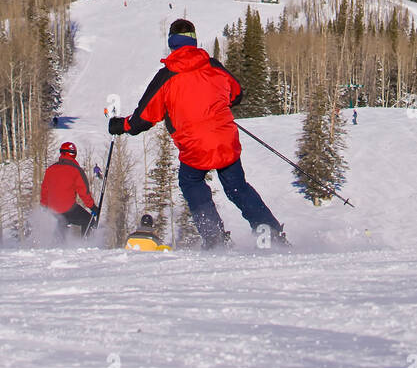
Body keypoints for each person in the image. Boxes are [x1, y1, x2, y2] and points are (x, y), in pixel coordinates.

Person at [109, 18, 286, 250]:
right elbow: (237, 94)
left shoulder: (167, 76)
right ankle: (270, 233)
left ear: (171, 43)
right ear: (194, 41)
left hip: (195, 147)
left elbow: (142, 119)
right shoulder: (212, 65)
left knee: (191, 181)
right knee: (237, 187)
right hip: (225, 141)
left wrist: (121, 125)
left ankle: (215, 238)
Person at [39, 142, 97, 239]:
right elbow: (84, 192)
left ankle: (59, 245)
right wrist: (93, 207)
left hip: (52, 210)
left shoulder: (51, 169)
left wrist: (44, 206)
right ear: (74, 154)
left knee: (62, 221)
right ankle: (86, 245)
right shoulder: (76, 170)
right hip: (68, 208)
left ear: (61, 153)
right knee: (89, 220)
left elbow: (45, 189)